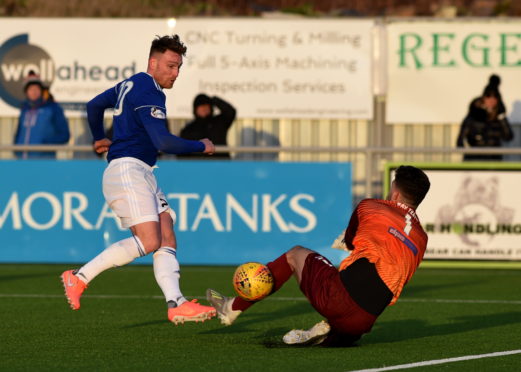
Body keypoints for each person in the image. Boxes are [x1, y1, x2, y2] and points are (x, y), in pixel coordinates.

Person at [61, 35, 217, 324]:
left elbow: (94, 106)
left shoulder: (131, 84)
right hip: (127, 170)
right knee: (149, 240)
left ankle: (176, 303)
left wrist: (99, 137)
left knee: (166, 231)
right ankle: (79, 277)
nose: (176, 73)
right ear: (153, 62)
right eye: (170, 66)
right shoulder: (149, 90)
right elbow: (163, 141)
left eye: (179, 67)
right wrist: (201, 145)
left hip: (142, 170)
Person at [207, 165, 430, 346]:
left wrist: (350, 242)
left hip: (337, 299)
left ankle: (231, 308)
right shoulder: (422, 239)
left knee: (295, 254)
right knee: (349, 317)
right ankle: (330, 332)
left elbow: (349, 241)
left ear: (395, 193)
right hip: (363, 322)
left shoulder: (371, 206)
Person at [456, 74, 514, 161]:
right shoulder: (473, 114)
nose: (491, 100)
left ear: (498, 100)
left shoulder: (500, 117)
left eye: (495, 97)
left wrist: (501, 117)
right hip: (474, 159)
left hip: (494, 160)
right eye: (488, 96)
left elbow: (508, 136)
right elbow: (460, 140)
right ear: (483, 98)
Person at [13, 71, 70, 159]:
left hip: (44, 163)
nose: (34, 92)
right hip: (22, 162)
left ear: (42, 91)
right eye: (31, 89)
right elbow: (18, 133)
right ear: (26, 91)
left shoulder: (53, 108)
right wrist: (16, 150)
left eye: (37, 89)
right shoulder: (24, 109)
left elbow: (64, 135)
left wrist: (46, 143)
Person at [178, 94, 236, 159]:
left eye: (206, 105)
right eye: (201, 106)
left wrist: (214, 100)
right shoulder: (188, 129)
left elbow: (231, 112)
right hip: (198, 167)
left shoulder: (219, 123)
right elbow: (181, 152)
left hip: (220, 165)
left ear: (211, 108)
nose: (204, 108)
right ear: (195, 109)